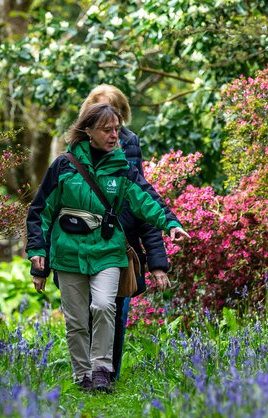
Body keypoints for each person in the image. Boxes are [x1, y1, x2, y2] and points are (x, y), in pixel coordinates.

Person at [25, 103, 189, 393]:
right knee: (76, 320)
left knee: (103, 306)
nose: (115, 135)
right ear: (88, 131)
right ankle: (82, 375)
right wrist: (38, 255)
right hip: (68, 254)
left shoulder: (122, 166)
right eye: (107, 129)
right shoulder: (63, 166)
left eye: (117, 129)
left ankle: (102, 370)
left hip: (107, 251)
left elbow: (145, 200)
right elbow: (41, 212)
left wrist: (170, 224)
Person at [77, 84, 173, 382]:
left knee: (114, 310)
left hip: (122, 244)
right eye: (100, 115)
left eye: (114, 115)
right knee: (85, 312)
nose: (110, 127)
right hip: (82, 241)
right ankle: (85, 372)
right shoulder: (74, 151)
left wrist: (157, 261)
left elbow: (143, 200)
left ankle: (107, 374)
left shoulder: (130, 145)